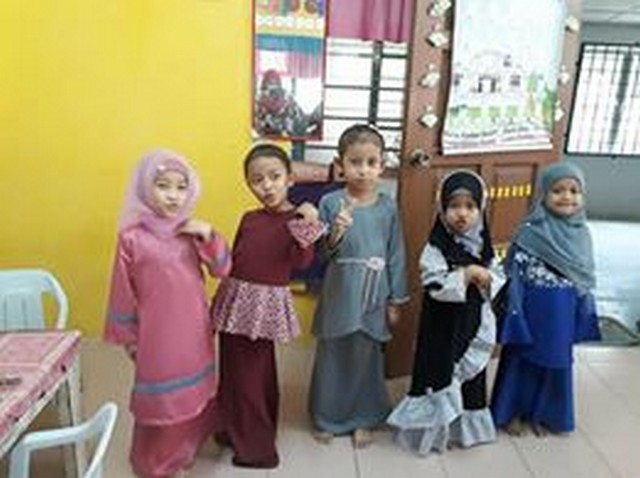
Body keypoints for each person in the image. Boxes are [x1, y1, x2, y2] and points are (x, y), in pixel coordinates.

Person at [104, 149, 231, 477]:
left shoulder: (192, 232)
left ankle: (185, 449)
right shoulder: (131, 238)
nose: (173, 195)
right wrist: (129, 337)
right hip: (156, 333)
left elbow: (222, 269)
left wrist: (210, 236)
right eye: (163, 186)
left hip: (194, 328)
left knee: (193, 394)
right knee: (162, 398)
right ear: (145, 188)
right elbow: (122, 290)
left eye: (181, 187)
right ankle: (154, 462)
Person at [210, 143, 325, 468]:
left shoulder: (297, 218)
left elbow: (302, 261)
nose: (267, 186)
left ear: (290, 178)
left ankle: (258, 449)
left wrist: (308, 220)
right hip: (234, 302)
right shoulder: (249, 218)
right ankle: (231, 428)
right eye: (257, 180)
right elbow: (234, 262)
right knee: (232, 372)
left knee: (252, 378)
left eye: (274, 177)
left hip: (262, 308)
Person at [387, 169, 503, 456]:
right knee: (439, 372)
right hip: (441, 324)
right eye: (454, 206)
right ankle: (432, 431)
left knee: (470, 376)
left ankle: (464, 430)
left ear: (480, 209)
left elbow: (498, 277)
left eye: (470, 206)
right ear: (442, 209)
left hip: (471, 322)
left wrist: (488, 278)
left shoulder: (485, 245)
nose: (462, 214)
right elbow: (434, 284)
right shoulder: (436, 246)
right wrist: (466, 274)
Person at [308, 124, 408, 448]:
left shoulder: (388, 206)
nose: (363, 170)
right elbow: (323, 255)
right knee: (333, 353)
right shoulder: (330, 202)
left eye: (371, 162)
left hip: (375, 292)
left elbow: (396, 252)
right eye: (355, 162)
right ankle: (327, 416)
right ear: (341, 164)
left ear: (382, 165)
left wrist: (396, 299)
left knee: (366, 354)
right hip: (340, 290)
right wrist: (336, 233)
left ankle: (363, 417)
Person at [490, 162, 600, 436]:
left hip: (563, 311)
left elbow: (584, 278)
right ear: (543, 194)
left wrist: (582, 315)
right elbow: (514, 274)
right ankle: (512, 412)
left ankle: (545, 414)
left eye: (574, 191)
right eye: (558, 190)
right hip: (530, 308)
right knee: (520, 359)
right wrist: (514, 312)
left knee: (555, 362)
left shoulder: (582, 234)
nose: (566, 197)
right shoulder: (530, 230)